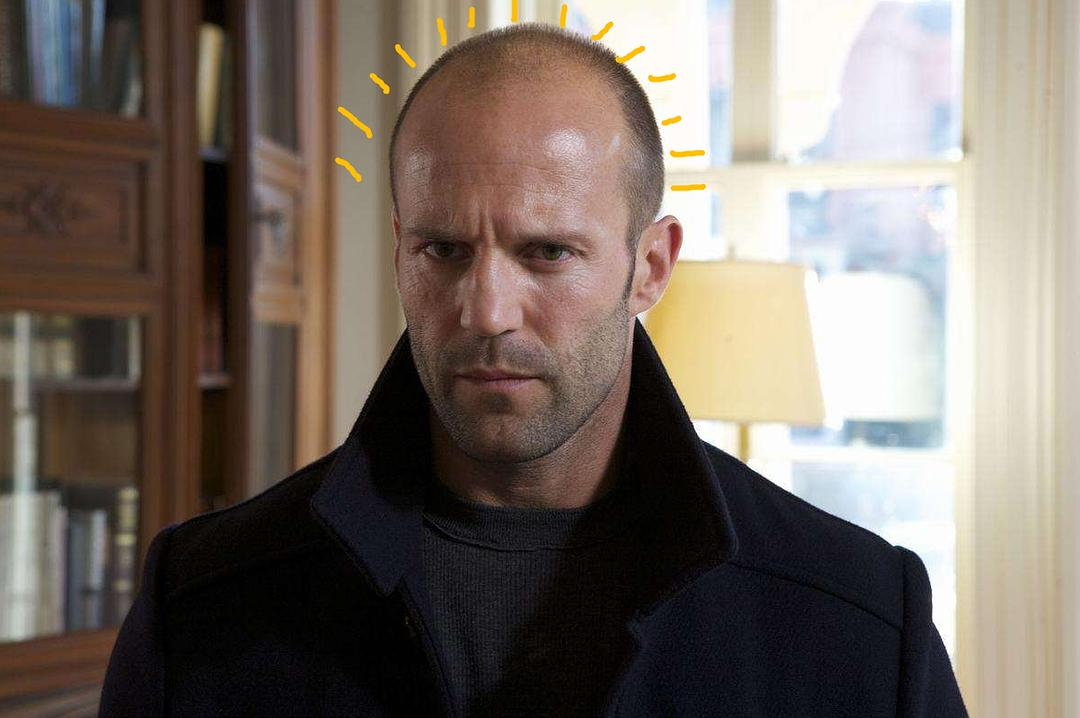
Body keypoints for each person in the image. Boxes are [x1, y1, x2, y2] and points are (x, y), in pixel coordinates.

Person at [99, 23, 968, 717]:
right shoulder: (202, 603)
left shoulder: (859, 620)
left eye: (547, 252)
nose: (487, 311)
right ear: (400, 251)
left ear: (650, 267)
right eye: (443, 249)